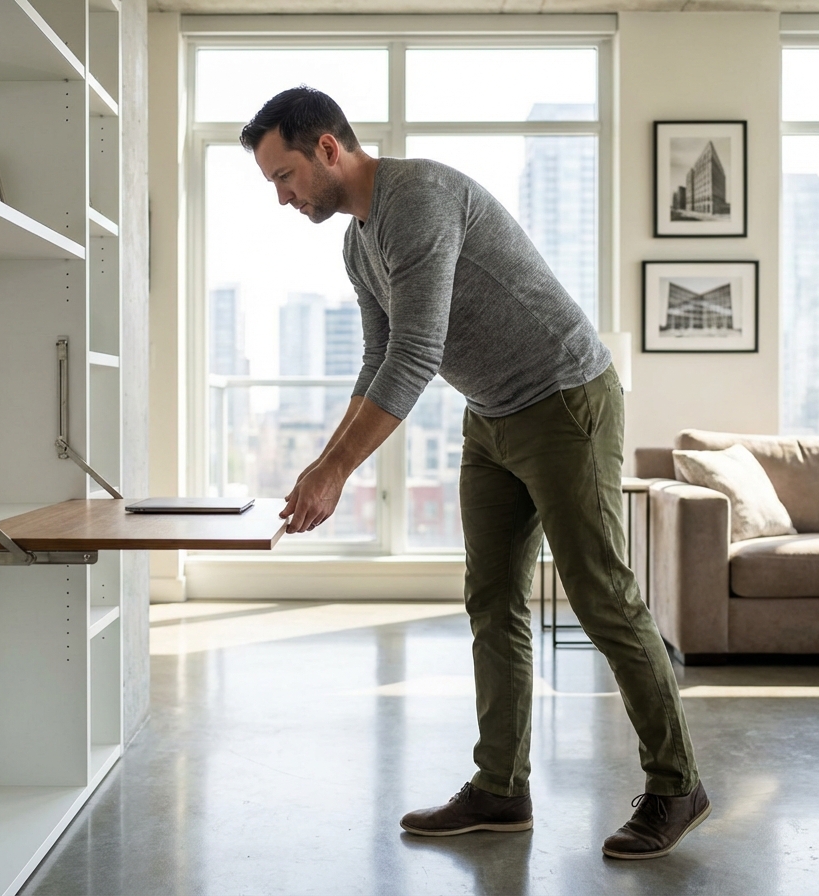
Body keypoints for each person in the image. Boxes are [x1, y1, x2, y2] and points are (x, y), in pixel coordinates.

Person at [240, 86, 709, 860]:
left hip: (565, 402)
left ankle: (676, 784)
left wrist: (338, 475)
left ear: (328, 148)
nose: (282, 198)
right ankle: (501, 788)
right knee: (491, 600)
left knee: (601, 597)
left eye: (284, 177)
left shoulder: (418, 197)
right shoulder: (358, 243)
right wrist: (324, 464)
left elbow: (419, 353)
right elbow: (376, 359)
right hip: (489, 417)